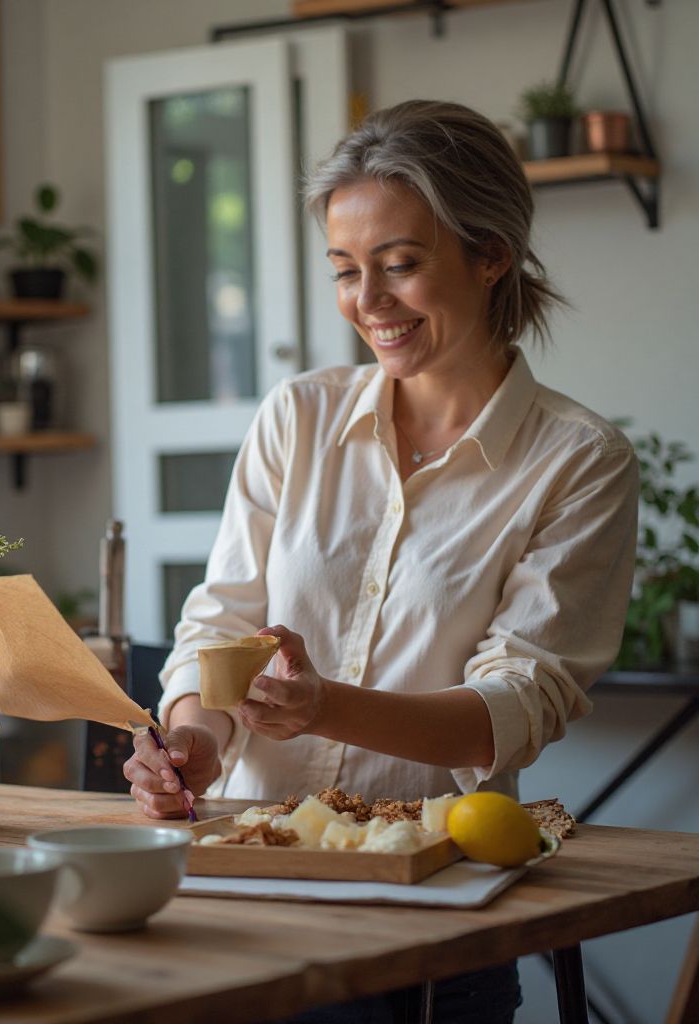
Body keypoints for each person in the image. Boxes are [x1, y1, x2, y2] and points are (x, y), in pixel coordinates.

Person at [122, 99, 639, 1024]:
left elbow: (515, 706)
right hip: (244, 894)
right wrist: (194, 744)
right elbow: (223, 621)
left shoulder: (578, 460)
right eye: (346, 271)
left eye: (401, 265)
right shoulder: (298, 417)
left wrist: (331, 709)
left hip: (430, 927)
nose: (369, 303)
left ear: (491, 255)